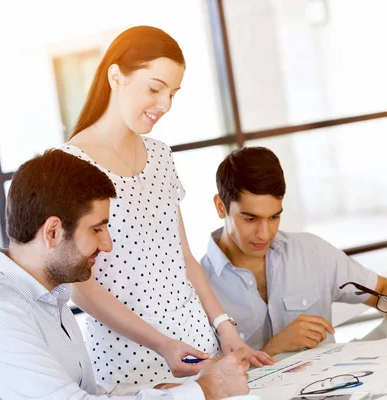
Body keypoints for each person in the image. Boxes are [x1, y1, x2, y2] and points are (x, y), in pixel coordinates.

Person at [62, 25, 272, 392]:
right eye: (155, 88)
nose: (165, 105)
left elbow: (183, 257)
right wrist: (161, 344)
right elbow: (82, 287)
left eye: (172, 93)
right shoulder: (69, 166)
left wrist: (225, 331)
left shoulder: (160, 155)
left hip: (197, 351)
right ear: (116, 76)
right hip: (127, 361)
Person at [0, 149, 252, 400]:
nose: (107, 245)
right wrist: (204, 391)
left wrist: (163, 393)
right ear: (53, 232)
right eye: (97, 229)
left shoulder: (49, 300)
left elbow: (86, 394)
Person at [200, 146, 387, 357]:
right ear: (220, 206)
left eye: (274, 217)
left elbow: (383, 289)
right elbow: (209, 387)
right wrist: (273, 349)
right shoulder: (197, 289)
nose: (264, 234)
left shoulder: (311, 252)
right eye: (250, 219)